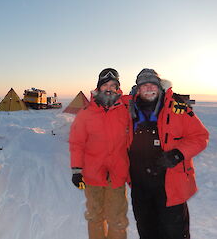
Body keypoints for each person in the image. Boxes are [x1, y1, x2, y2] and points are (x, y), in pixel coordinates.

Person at [127, 68, 209, 239]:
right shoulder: (127, 110)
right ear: (137, 89)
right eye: (144, 85)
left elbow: (200, 137)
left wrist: (178, 154)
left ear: (160, 87)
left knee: (174, 232)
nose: (149, 88)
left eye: (153, 85)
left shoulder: (176, 108)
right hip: (140, 188)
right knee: (147, 231)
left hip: (171, 186)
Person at [69, 68, 130, 239]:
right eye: (105, 85)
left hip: (117, 175)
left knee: (117, 219)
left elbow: (148, 98)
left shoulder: (125, 110)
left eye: (113, 85)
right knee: (95, 216)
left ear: (118, 88)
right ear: (98, 88)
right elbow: (77, 143)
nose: (109, 88)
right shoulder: (86, 113)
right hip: (92, 175)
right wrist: (76, 170)